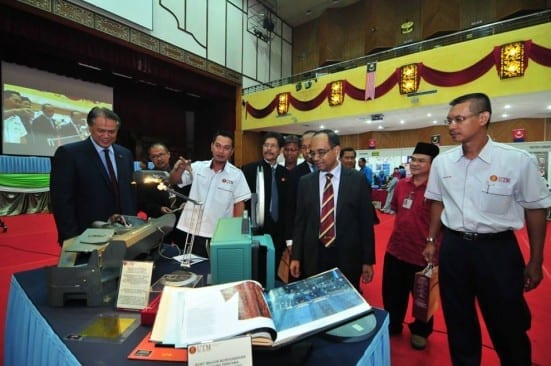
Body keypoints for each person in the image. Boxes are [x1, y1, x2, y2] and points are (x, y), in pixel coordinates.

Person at [423, 92, 551, 365]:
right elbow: (436, 203)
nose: (451, 126)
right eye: (449, 120)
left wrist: (536, 260)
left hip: (498, 251)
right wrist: (432, 239)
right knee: (459, 320)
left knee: (508, 323)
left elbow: (536, 208)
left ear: (483, 118)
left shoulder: (516, 160)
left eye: (459, 119)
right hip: (455, 249)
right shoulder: (443, 163)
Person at [289, 129, 376, 287]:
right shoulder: (305, 182)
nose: (316, 158)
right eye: (312, 153)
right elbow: (300, 223)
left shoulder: (357, 180)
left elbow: (365, 223)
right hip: (314, 256)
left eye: (321, 152)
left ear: (336, 150)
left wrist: (367, 260)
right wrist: (296, 256)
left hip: (348, 256)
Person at [382, 142, 440, 350]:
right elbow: (398, 210)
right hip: (396, 249)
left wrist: (432, 244)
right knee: (392, 292)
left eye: (421, 161)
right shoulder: (401, 184)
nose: (415, 164)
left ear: (433, 165)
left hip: (423, 255)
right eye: (413, 160)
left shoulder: (437, 189)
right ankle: (394, 324)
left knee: (422, 298)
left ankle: (421, 331)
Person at [50, 106, 137, 245]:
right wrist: (70, 238)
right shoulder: (69, 154)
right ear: (90, 127)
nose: (106, 136)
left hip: (124, 232)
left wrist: (134, 224)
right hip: (87, 234)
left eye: (111, 132)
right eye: (101, 131)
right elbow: (62, 201)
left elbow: (130, 192)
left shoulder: (125, 154)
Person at [169, 130, 251, 258]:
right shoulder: (197, 167)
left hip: (220, 235)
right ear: (212, 146)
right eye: (218, 146)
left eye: (226, 148)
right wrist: (177, 170)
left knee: (217, 272)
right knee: (192, 269)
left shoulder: (237, 175)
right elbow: (174, 181)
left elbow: (239, 204)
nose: (221, 151)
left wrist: (235, 234)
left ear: (232, 152)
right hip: (192, 232)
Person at [242, 132, 289, 268]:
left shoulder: (285, 174)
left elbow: (287, 206)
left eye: (273, 146)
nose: (268, 149)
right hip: (255, 230)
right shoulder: (249, 170)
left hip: (278, 233)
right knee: (254, 268)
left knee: (272, 270)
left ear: (280, 150)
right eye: (266, 145)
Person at [137, 142, 186, 218]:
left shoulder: (180, 173)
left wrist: (185, 204)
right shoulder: (147, 178)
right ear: (151, 159)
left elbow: (190, 194)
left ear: (168, 154)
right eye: (154, 156)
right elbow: (143, 203)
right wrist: (159, 209)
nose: (159, 159)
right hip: (160, 220)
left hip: (182, 219)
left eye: (161, 155)